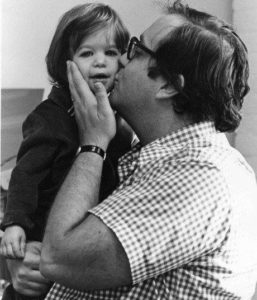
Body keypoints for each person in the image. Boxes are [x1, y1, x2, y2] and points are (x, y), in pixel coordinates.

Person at [6, 1, 257, 299]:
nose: (121, 60)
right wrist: (19, 259)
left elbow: (60, 259)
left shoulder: (196, 177)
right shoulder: (153, 156)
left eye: (135, 50)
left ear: (169, 86)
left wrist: (93, 144)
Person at [0, 2, 130, 299]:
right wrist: (15, 224)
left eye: (111, 53)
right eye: (87, 53)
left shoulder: (120, 116)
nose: (101, 62)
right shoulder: (50, 116)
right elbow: (26, 173)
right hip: (43, 237)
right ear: (65, 63)